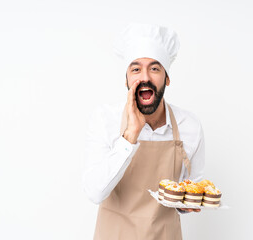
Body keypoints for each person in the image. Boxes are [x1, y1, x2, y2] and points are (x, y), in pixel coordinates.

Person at [83, 23, 205, 240]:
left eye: (155, 68)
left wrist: (187, 203)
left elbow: (188, 192)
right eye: (136, 69)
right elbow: (95, 192)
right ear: (127, 80)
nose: (145, 77)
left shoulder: (190, 126)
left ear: (167, 78)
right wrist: (130, 135)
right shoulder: (105, 120)